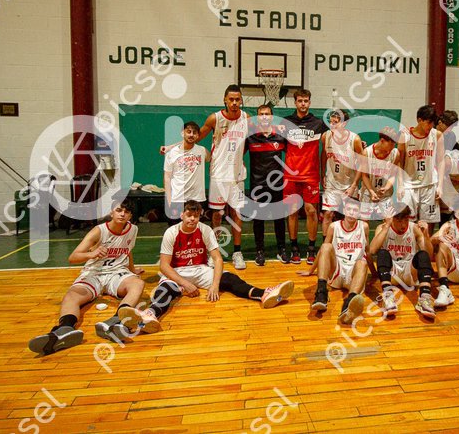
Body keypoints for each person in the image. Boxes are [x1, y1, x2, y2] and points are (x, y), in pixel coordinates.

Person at [119, 200, 294, 334]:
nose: (192, 219)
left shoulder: (205, 230)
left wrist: (215, 285)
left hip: (200, 269)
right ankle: (150, 314)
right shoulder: (171, 232)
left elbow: (217, 259)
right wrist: (185, 284)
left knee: (230, 278)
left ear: (200, 216)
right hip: (177, 272)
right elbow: (164, 266)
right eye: (189, 215)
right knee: (166, 289)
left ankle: (264, 294)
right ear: (182, 215)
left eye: (196, 216)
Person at [28, 200, 145, 355]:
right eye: (119, 210)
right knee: (71, 295)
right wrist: (92, 254)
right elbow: (73, 257)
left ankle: (116, 321)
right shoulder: (98, 231)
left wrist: (133, 270)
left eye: (127, 212)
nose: (122, 214)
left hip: (116, 273)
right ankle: (64, 329)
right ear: (111, 212)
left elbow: (128, 251)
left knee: (138, 284)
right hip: (94, 273)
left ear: (130, 216)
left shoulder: (133, 229)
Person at [161, 84, 249, 270]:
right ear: (225, 100)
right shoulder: (214, 118)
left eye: (237, 99)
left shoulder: (246, 118)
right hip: (218, 174)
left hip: (237, 175)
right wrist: (171, 147)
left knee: (237, 214)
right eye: (231, 99)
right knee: (217, 215)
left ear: (241, 100)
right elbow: (195, 138)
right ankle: (214, 252)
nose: (234, 103)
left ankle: (237, 252)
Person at [300, 199, 369, 325]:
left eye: (355, 210)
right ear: (344, 210)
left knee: (362, 263)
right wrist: (311, 270)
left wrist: (374, 273)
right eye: (349, 209)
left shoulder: (364, 227)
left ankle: (348, 304)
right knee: (326, 246)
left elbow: (367, 251)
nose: (352, 212)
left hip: (353, 273)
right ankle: (321, 294)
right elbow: (323, 252)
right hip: (337, 271)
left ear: (359, 212)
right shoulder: (334, 226)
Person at [283, 89, 328, 264]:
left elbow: (331, 142)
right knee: (292, 211)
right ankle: (294, 248)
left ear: (309, 102)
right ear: (295, 102)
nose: (303, 104)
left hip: (311, 175)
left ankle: (311, 249)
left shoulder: (318, 123)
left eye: (306, 101)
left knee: (311, 211)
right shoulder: (286, 122)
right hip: (291, 174)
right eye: (300, 101)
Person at [368, 206, 436, 318]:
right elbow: (372, 250)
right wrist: (387, 226)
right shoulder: (382, 227)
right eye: (399, 221)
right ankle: (388, 297)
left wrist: (426, 236)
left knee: (422, 255)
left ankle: (424, 298)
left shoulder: (414, 228)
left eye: (406, 220)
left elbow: (429, 255)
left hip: (410, 271)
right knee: (382, 253)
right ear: (392, 218)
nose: (403, 224)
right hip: (391, 272)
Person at [244, 104, 287, 266]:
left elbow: (295, 154)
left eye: (267, 114)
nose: (264, 116)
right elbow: (237, 155)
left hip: (277, 185)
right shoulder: (251, 138)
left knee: (279, 219)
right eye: (261, 114)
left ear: (271, 117)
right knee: (258, 220)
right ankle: (259, 251)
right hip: (257, 185)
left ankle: (281, 249)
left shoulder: (280, 136)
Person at [398, 105, 442, 234]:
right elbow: (399, 162)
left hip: (429, 183)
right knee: (408, 220)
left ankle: (426, 246)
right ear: (419, 120)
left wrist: (440, 185)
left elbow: (441, 161)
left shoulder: (437, 135)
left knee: (429, 221)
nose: (431, 126)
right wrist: (400, 184)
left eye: (433, 123)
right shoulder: (405, 136)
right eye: (428, 122)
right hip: (409, 184)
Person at [321, 109, 364, 238]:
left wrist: (354, 185)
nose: (332, 125)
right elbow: (323, 155)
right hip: (332, 182)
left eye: (335, 122)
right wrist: (322, 174)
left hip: (349, 184)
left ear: (344, 124)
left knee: (349, 216)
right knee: (328, 214)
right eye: (330, 122)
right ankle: (326, 243)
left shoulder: (354, 139)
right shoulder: (326, 136)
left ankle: (348, 242)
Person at [163, 121, 209, 225]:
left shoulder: (202, 151)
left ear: (198, 136)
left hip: (197, 198)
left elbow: (212, 157)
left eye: (194, 132)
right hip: (177, 199)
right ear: (182, 133)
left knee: (196, 230)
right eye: (188, 131)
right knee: (175, 230)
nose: (191, 135)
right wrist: (169, 200)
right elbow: (167, 177)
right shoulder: (171, 153)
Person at [359, 127, 402, 221]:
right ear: (382, 141)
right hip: (368, 192)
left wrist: (386, 187)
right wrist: (372, 192)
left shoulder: (395, 153)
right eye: (391, 144)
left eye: (394, 144)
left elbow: (392, 175)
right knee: (364, 222)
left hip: (385, 194)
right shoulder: (367, 153)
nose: (393, 147)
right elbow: (364, 175)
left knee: (388, 221)